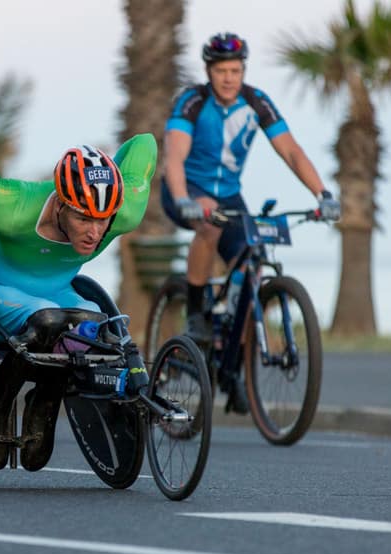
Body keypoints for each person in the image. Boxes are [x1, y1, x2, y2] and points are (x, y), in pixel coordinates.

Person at [0, 113, 157, 471]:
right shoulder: (13, 208)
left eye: (104, 219)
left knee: (96, 326)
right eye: (84, 218)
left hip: (57, 294)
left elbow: (144, 141)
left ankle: (45, 398)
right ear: (61, 205)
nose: (95, 232)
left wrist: (105, 173)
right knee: (49, 319)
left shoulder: (124, 212)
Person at [161, 31, 341, 412]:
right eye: (222, 70)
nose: (229, 77)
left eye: (236, 70)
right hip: (186, 190)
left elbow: (290, 151)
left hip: (230, 196)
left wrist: (322, 195)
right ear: (209, 71)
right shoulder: (193, 101)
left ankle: (233, 371)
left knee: (250, 264)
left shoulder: (256, 102)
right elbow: (174, 156)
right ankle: (195, 312)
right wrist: (182, 198)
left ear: (244, 71)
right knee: (209, 225)